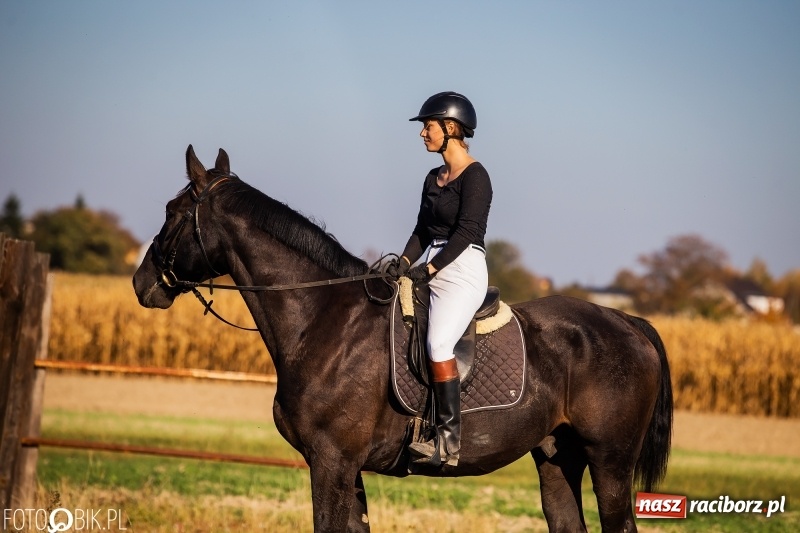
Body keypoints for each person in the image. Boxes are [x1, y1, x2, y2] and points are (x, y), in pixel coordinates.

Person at [391, 91, 493, 467]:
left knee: (437, 345)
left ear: (451, 128)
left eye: (428, 127)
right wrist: (402, 262)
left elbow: (467, 232)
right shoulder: (433, 178)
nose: (423, 134)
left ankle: (449, 442)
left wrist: (431, 269)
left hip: (463, 267)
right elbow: (421, 231)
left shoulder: (476, 176)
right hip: (432, 259)